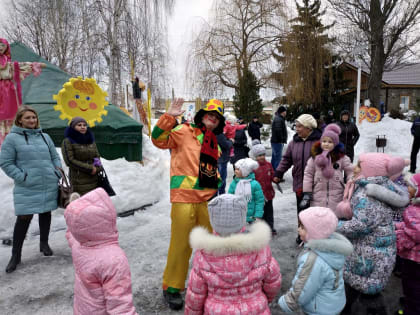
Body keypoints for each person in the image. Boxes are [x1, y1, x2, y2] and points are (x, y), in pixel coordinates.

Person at [151, 98, 225, 310]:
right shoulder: (184, 131)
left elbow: (211, 169)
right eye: (210, 113)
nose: (213, 117)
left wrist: (217, 179)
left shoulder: (213, 142)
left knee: (212, 244)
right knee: (181, 245)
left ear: (219, 123)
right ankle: (172, 287)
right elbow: (158, 139)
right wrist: (170, 116)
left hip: (207, 200)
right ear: (202, 115)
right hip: (184, 198)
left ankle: (213, 283)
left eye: (217, 116)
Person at [337, 153, 410, 315]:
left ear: (371, 170)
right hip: (374, 252)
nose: (355, 169)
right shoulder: (380, 187)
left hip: (368, 256)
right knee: (364, 290)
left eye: (359, 166)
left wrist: (334, 225)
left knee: (365, 292)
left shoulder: (368, 195)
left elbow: (361, 226)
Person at [185, 194, 282, 315]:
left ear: (212, 220)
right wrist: (263, 299)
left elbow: (195, 295)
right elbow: (273, 282)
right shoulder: (260, 249)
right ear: (242, 217)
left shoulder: (204, 254)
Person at [0, 106, 62, 273]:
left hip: (48, 182)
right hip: (27, 185)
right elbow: (6, 162)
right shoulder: (12, 139)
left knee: (46, 213)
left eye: (34, 117)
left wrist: (57, 171)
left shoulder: (45, 136)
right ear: (20, 120)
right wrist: (22, 177)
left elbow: (55, 156)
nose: (32, 120)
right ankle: (15, 255)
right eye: (27, 118)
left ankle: (44, 243)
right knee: (23, 219)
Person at [64, 188, 138, 315]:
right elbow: (121, 308)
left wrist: (74, 210)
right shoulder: (114, 260)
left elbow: (71, 233)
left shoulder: (79, 245)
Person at [278, 207, 353, 315]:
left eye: (302, 227)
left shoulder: (314, 259)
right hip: (333, 303)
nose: (298, 230)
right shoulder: (332, 247)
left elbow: (303, 288)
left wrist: (288, 302)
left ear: (315, 233)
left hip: (319, 310)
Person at [273, 114, 321, 243]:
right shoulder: (294, 142)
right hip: (299, 183)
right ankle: (302, 235)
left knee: (315, 211)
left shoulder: (320, 143)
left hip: (316, 185)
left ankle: (316, 236)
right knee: (301, 211)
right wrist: (278, 173)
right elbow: (286, 159)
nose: (297, 129)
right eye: (297, 126)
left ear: (308, 128)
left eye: (300, 126)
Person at [0, 38, 45, 148]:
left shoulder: (10, 65)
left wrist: (35, 65)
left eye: (2, 45)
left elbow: (22, 66)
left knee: (10, 115)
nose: (0, 47)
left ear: (6, 48)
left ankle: (8, 139)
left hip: (8, 92)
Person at [300, 124, 353, 214]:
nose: (326, 144)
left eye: (330, 142)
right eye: (324, 141)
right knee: (319, 219)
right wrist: (307, 192)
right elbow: (308, 174)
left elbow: (351, 171)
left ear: (335, 143)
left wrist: (350, 187)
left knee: (334, 220)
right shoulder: (314, 158)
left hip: (337, 196)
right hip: (318, 195)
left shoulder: (341, 158)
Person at [395, 173, 420, 315]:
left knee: (412, 286)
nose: (407, 188)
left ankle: (412, 309)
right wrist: (398, 226)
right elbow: (410, 228)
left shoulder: (414, 211)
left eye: (411, 186)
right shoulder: (415, 209)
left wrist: (397, 239)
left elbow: (414, 234)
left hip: (414, 261)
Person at [61, 117, 101, 196]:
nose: (83, 127)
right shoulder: (68, 141)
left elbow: (97, 157)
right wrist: (90, 168)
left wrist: (98, 168)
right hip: (79, 180)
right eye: (79, 125)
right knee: (83, 203)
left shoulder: (90, 140)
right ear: (73, 127)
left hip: (94, 178)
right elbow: (69, 161)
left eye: (84, 125)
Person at [250, 140, 277, 234]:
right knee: (259, 213)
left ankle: (270, 228)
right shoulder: (253, 167)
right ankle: (259, 229)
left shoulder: (268, 165)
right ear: (255, 157)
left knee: (269, 212)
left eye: (263, 155)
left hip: (269, 193)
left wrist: (276, 178)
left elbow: (273, 175)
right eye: (259, 155)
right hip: (258, 196)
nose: (262, 157)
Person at [228, 158, 265, 224]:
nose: (235, 171)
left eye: (238, 169)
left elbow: (259, 201)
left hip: (251, 218)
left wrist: (258, 215)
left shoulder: (255, 184)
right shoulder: (234, 183)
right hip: (237, 217)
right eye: (235, 169)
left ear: (245, 172)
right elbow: (229, 198)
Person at [270, 106, 288, 170]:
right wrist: (281, 140)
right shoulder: (279, 119)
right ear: (282, 112)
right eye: (285, 111)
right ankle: (276, 175)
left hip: (275, 141)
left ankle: (272, 172)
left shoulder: (278, 118)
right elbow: (278, 131)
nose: (286, 112)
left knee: (275, 157)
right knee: (277, 158)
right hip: (277, 142)